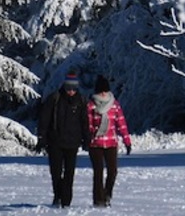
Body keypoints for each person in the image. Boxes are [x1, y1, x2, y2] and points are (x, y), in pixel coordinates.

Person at [37, 72, 90, 208]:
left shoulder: (81, 101)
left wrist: (86, 139)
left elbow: (85, 122)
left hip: (72, 143)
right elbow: (44, 119)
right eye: (68, 88)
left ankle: (66, 200)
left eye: (73, 88)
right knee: (55, 172)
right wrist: (42, 137)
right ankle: (58, 195)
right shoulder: (54, 99)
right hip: (55, 142)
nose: (71, 91)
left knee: (69, 173)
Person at [87, 75, 132, 208]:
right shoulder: (90, 105)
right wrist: (90, 133)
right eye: (101, 91)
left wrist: (127, 140)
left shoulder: (115, 105)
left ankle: (107, 194)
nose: (103, 93)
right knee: (98, 172)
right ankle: (98, 200)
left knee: (113, 171)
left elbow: (121, 124)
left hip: (111, 142)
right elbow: (87, 123)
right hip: (95, 143)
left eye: (105, 90)